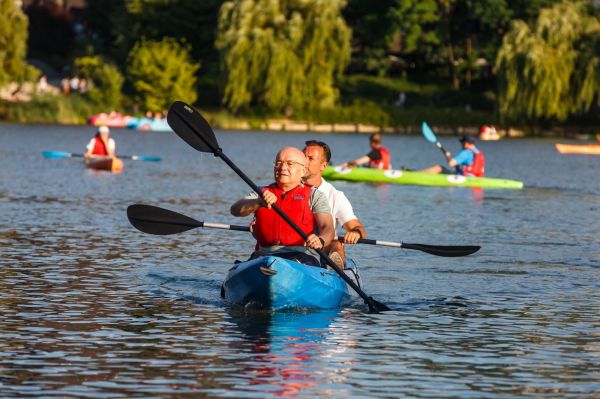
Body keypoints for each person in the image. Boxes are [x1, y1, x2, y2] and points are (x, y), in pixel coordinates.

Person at [230, 147, 335, 266]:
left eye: (290, 164)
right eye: (278, 163)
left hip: (302, 256)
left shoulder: (314, 195)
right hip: (265, 255)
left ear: (303, 171)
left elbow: (328, 228)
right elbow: (235, 210)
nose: (282, 167)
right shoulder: (261, 193)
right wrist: (257, 202)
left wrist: (320, 240)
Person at [303, 140, 366, 268]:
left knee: (336, 244)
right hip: (294, 247)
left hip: (322, 249)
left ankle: (333, 268)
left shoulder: (336, 196)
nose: (304, 162)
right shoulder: (287, 186)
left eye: (310, 158)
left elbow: (357, 227)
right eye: (303, 157)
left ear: (323, 166)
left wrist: (356, 233)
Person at [420, 135, 485, 177]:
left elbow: (451, 163)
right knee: (450, 171)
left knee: (439, 168)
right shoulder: (477, 152)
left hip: (464, 178)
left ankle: (416, 175)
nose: (461, 144)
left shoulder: (466, 152)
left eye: (462, 142)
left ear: (466, 143)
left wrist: (448, 156)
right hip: (475, 178)